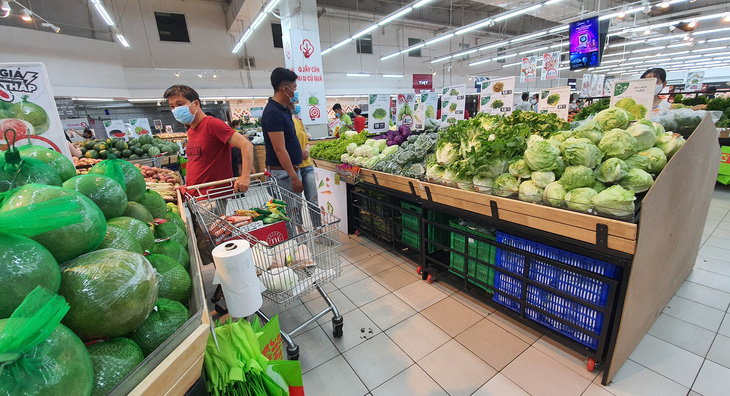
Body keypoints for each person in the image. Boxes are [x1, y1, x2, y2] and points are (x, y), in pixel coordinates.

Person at [163, 84, 253, 192]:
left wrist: (245, 177)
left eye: (180, 104)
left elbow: (246, 144)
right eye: (172, 106)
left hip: (212, 196)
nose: (175, 110)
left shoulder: (212, 124)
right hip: (195, 194)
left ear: (196, 103)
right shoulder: (191, 131)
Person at [261, 68, 304, 195]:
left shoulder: (283, 110)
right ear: (285, 89)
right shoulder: (273, 113)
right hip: (283, 174)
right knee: (291, 213)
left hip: (288, 171)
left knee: (294, 212)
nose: (295, 92)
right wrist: (293, 176)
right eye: (294, 88)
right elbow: (279, 149)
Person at [289, 101, 321, 229]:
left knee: (313, 199)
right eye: (293, 103)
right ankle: (300, 229)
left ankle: (318, 229)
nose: (295, 105)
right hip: (293, 168)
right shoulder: (283, 124)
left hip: (307, 166)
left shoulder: (298, 121)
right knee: (297, 203)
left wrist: (306, 150)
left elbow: (306, 141)